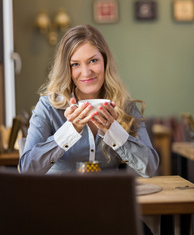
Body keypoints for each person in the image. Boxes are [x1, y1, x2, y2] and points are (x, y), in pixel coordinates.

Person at [19, 24, 159, 176]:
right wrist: (70, 130)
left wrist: (113, 130)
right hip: (59, 196)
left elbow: (149, 168)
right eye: (75, 64)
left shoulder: (125, 106)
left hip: (107, 196)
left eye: (93, 61)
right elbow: (27, 170)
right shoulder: (48, 107)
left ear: (105, 61)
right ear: (67, 69)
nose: (86, 73)